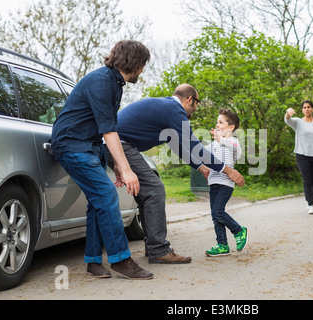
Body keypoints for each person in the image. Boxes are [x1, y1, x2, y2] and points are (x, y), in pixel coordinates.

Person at [51, 40, 154, 280]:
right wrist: (127, 170)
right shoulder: (101, 82)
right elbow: (109, 131)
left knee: (97, 202)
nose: (142, 70)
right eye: (143, 65)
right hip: (72, 145)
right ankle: (121, 259)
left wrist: (118, 165)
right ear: (135, 62)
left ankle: (93, 262)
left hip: (90, 146)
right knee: (107, 195)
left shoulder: (115, 83)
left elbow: (107, 128)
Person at [109, 84, 245, 264]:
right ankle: (158, 250)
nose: (195, 109)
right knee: (155, 190)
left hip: (119, 142)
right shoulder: (174, 110)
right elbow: (196, 148)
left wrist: (202, 168)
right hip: (119, 143)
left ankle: (153, 248)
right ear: (189, 99)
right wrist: (228, 170)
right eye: (196, 104)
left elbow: (180, 148)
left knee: (148, 190)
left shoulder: (167, 111)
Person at [204, 109, 248, 256]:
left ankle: (239, 230)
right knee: (215, 215)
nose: (217, 125)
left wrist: (220, 139)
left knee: (218, 212)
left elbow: (238, 151)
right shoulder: (214, 144)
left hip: (226, 183)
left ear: (231, 127)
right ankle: (222, 244)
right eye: (217, 122)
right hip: (213, 182)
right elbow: (200, 153)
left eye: (220, 122)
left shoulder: (232, 141)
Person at [285, 100, 313, 214]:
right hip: (302, 155)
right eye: (304, 107)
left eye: (309, 107)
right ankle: (310, 203)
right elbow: (287, 120)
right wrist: (288, 112)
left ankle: (312, 199)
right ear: (302, 110)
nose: (306, 109)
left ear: (312, 109)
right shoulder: (298, 122)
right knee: (307, 180)